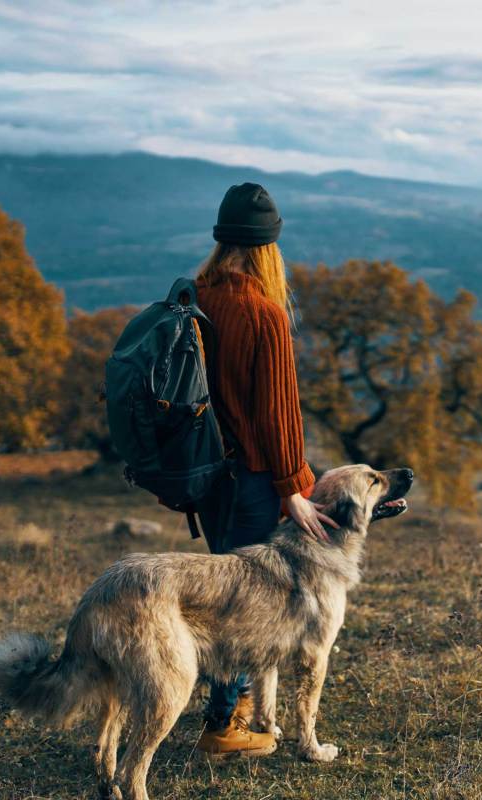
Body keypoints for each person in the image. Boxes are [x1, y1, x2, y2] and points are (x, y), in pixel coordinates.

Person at [192, 182, 336, 756]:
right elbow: (279, 418)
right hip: (252, 477)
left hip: (206, 474)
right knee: (244, 605)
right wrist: (295, 488)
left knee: (225, 588)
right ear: (269, 248)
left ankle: (237, 704)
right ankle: (222, 725)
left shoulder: (196, 296)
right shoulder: (263, 312)